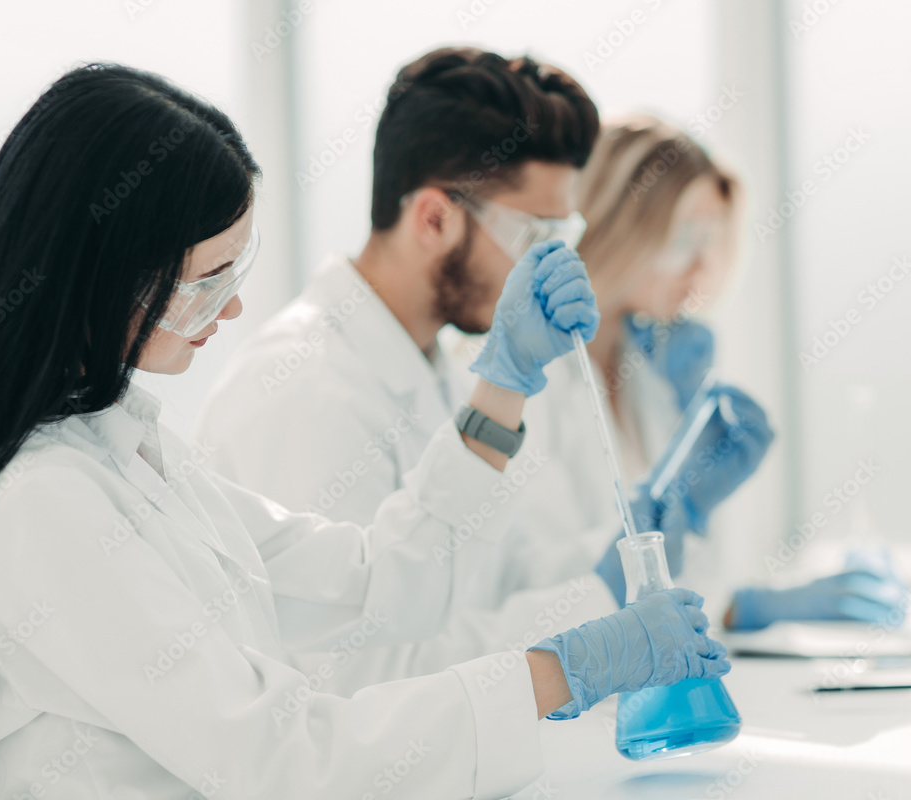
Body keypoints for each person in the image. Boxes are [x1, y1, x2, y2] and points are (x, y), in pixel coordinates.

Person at [0, 65, 731, 800]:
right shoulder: (40, 504)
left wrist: (502, 385)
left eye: (238, 270)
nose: (229, 308)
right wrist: (565, 669)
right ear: (102, 273)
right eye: (205, 281)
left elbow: (379, 585)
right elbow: (283, 759)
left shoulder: (131, 451)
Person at [196, 48, 745, 690]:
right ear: (433, 218)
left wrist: (619, 560)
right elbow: (359, 683)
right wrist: (595, 618)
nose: (549, 264)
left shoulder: (441, 373)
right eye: (531, 236)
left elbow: (497, 579)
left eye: (559, 234)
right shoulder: (305, 389)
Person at [513, 113, 907, 629]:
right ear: (621, 226)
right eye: (684, 240)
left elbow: (700, 573)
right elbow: (541, 585)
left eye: (711, 243)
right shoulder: (535, 379)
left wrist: (686, 418)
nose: (701, 269)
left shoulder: (649, 378)